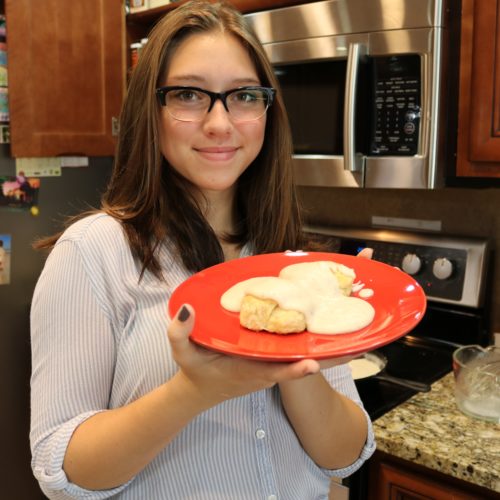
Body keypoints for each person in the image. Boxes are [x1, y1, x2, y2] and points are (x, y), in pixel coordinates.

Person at [30, 1, 376, 498]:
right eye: (190, 95)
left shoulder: (291, 265)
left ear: (267, 111)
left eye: (243, 96)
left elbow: (341, 456)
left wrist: (303, 356)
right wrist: (194, 391)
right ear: (150, 109)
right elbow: (62, 469)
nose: (219, 123)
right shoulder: (93, 253)